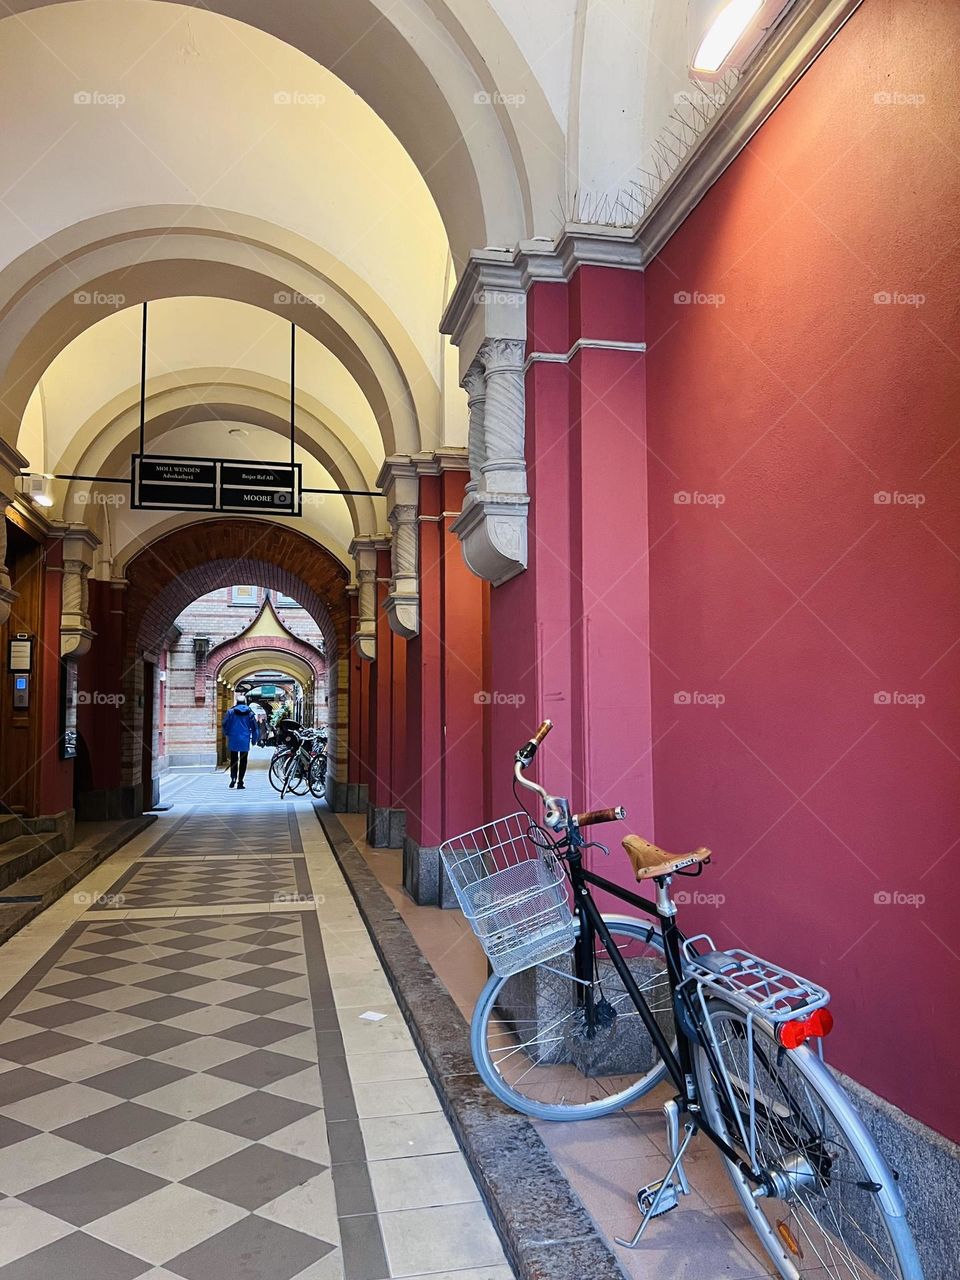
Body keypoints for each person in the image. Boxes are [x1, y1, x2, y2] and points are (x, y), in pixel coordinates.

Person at [222, 693, 258, 789]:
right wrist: (254, 740)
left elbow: (224, 724)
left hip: (233, 739)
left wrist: (227, 733)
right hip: (244, 740)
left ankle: (233, 778)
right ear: (245, 702)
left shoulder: (230, 712)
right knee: (243, 761)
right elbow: (254, 728)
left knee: (233, 759)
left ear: (237, 702)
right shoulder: (250, 713)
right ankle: (240, 782)